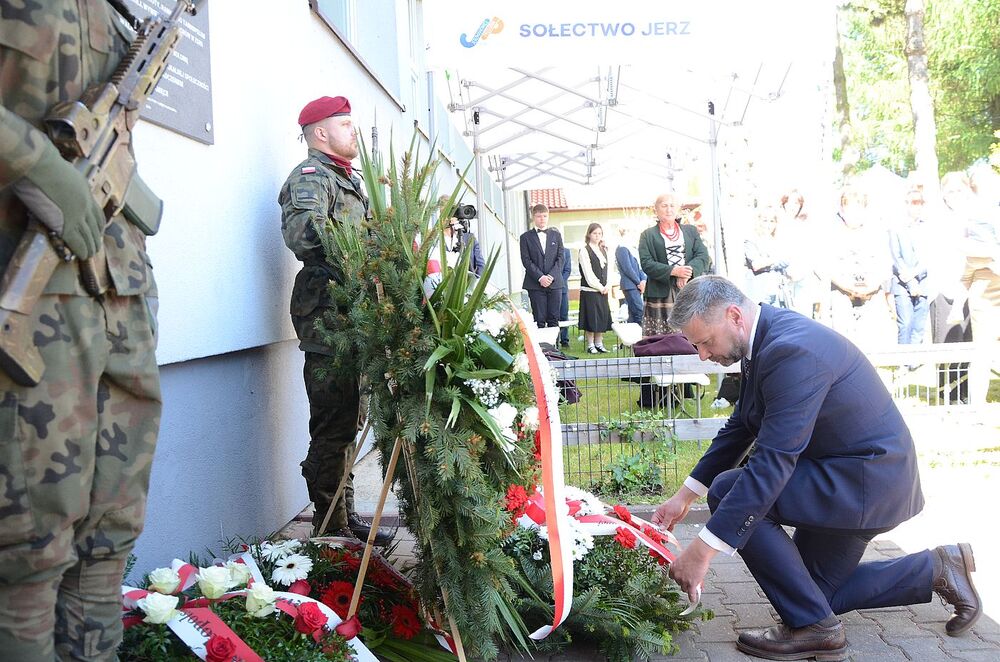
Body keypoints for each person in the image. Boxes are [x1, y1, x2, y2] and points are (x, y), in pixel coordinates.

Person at [653, 276, 981, 661]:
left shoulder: (790, 350)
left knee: (730, 490)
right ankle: (938, 568)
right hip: (849, 476)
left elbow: (772, 463)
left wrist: (703, 548)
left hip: (866, 482)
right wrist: (683, 497)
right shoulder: (764, 340)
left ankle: (816, 632)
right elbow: (741, 425)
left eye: (705, 342)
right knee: (809, 595)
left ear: (734, 316)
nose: (703, 355)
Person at [0, 3, 162, 658]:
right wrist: (33, 161)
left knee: (108, 540)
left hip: (118, 294)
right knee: (25, 557)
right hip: (27, 302)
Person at [278, 96, 392, 544]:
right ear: (320, 132)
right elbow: (304, 235)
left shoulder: (347, 179)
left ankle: (345, 516)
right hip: (328, 318)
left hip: (354, 314)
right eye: (345, 124)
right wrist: (363, 252)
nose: (353, 131)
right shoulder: (311, 177)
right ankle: (328, 527)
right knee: (332, 424)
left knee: (349, 420)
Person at [828, 185, 895, 344]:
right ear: (842, 210)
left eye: (858, 207)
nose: (854, 213)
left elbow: (886, 266)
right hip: (841, 296)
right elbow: (826, 267)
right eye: (849, 208)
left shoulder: (877, 234)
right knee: (843, 344)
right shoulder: (832, 235)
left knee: (873, 342)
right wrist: (849, 288)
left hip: (872, 296)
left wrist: (869, 287)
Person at [638, 193, 710, 336]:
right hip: (660, 292)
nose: (668, 209)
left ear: (677, 209)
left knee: (692, 332)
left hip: (688, 287)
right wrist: (674, 271)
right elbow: (646, 263)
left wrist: (687, 273)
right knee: (663, 338)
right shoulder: (647, 235)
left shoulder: (690, 231)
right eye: (664, 206)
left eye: (672, 205)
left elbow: (703, 255)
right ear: (656, 210)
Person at [888, 186, 932, 344]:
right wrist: (910, 281)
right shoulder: (895, 228)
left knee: (919, 327)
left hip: (923, 281)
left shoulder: (927, 227)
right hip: (902, 282)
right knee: (905, 324)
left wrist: (915, 274)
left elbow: (930, 255)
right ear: (905, 204)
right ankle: (903, 358)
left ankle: (916, 358)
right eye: (913, 202)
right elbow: (895, 256)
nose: (917, 206)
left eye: (920, 202)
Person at [519, 204, 565, 329]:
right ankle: (541, 342)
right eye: (539, 216)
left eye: (545, 216)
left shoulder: (556, 235)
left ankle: (554, 342)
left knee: (554, 319)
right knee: (539, 320)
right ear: (533, 217)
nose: (542, 219)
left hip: (555, 283)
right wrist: (540, 277)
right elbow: (526, 260)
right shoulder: (525, 237)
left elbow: (561, 258)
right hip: (535, 284)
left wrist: (550, 276)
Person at [578, 223, 614, 354]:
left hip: (603, 290)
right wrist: (599, 286)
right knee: (591, 318)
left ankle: (599, 343)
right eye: (594, 233)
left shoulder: (604, 250)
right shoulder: (584, 250)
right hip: (590, 290)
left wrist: (607, 285)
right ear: (589, 234)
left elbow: (609, 270)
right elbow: (588, 272)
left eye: (599, 233)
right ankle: (590, 344)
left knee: (601, 317)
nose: (597, 236)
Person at [438, 196, 485, 276]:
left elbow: (481, 267)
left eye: (452, 213)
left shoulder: (469, 239)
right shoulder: (435, 239)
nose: (449, 217)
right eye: (446, 213)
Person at [615, 227, 647, 325]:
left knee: (633, 315)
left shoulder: (633, 249)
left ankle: (633, 335)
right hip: (630, 285)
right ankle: (641, 334)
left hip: (637, 285)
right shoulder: (622, 248)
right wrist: (639, 283)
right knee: (640, 313)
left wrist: (643, 280)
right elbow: (627, 269)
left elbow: (640, 267)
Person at [559, 246, 573, 347]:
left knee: (564, 314)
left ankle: (564, 340)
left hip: (562, 288)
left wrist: (559, 281)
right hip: (549, 288)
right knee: (552, 316)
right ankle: (553, 340)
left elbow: (567, 270)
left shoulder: (566, 251)